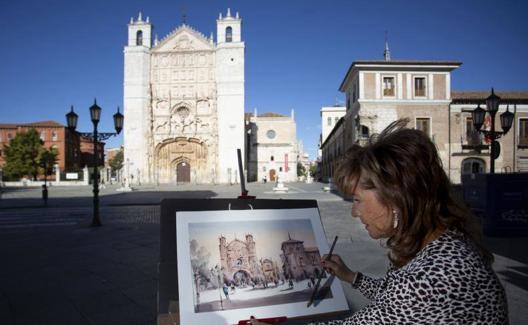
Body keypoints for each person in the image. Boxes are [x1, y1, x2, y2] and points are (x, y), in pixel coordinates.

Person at [249, 119, 508, 324]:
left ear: (395, 197)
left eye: (358, 200)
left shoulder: (436, 275)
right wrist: (351, 276)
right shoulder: (444, 245)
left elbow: (392, 306)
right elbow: (394, 297)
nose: (354, 212)